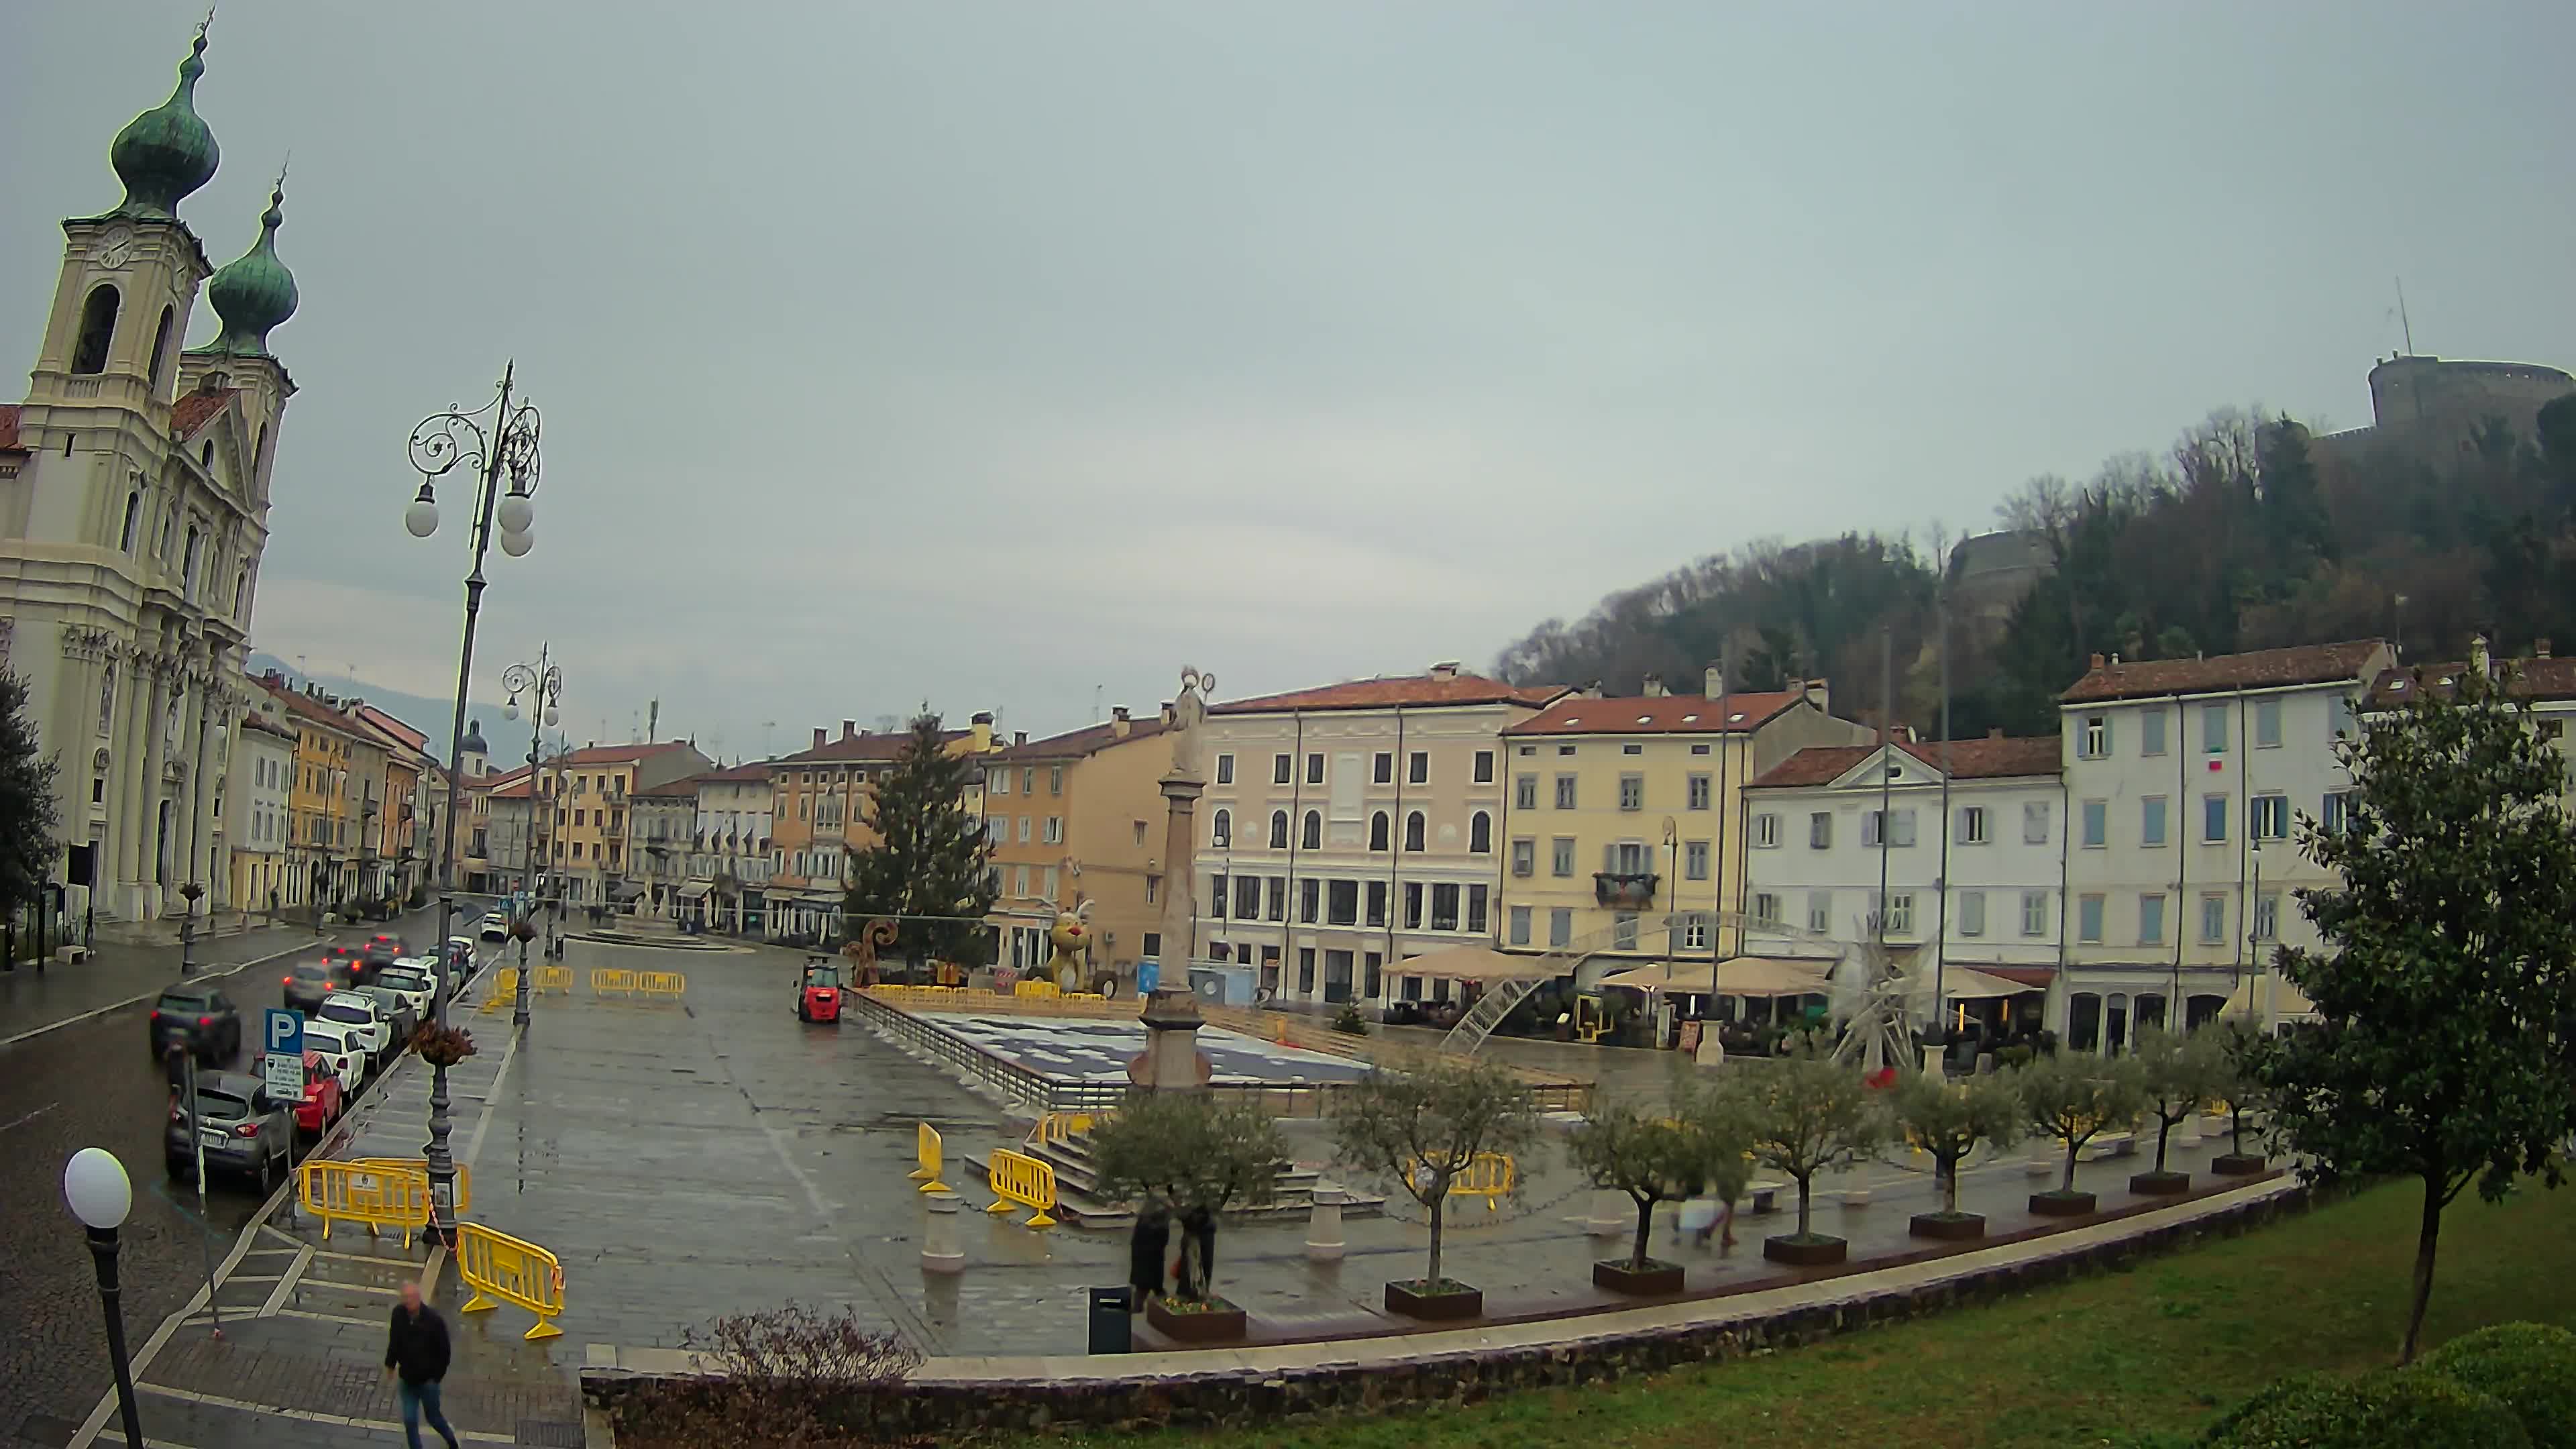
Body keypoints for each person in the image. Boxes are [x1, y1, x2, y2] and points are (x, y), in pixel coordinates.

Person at [384, 1281, 459, 1449]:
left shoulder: (434, 1321)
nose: (408, 1301)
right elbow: (394, 1341)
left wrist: (436, 1377)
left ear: (419, 1298)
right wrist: (390, 1364)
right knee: (410, 1420)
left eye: (411, 1297)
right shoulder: (398, 1315)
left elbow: (444, 1352)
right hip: (407, 1380)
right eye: (405, 1298)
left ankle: (452, 1441)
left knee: (434, 1418)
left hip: (428, 1382)